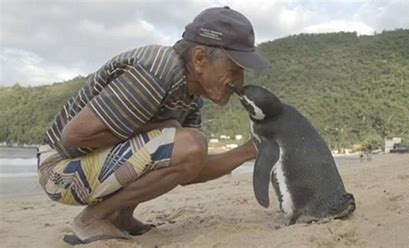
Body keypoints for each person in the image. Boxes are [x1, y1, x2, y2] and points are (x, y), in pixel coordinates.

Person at [37, 6, 270, 244]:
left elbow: (189, 168)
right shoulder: (157, 68)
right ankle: (92, 219)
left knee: (188, 143)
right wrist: (160, 127)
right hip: (59, 170)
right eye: (234, 70)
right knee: (187, 140)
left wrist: (249, 150)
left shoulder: (190, 96)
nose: (240, 82)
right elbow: (73, 137)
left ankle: (121, 216)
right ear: (200, 58)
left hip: (86, 166)